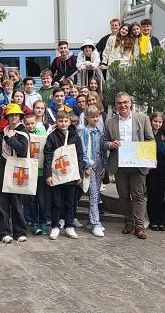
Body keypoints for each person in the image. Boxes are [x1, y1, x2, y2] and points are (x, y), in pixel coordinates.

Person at [103, 92, 154, 239]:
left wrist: (149, 157)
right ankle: (128, 222)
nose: (122, 105)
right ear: (115, 106)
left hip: (138, 162)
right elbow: (105, 142)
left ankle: (139, 225)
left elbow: (150, 140)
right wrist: (111, 144)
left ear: (130, 103)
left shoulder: (142, 118)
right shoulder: (110, 122)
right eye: (119, 103)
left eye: (125, 102)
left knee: (138, 195)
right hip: (119, 163)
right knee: (123, 196)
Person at [44, 111, 85, 240]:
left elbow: (79, 156)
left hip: (71, 175)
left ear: (69, 122)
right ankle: (55, 226)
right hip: (56, 174)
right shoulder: (52, 137)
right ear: (56, 122)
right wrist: (48, 175)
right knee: (56, 202)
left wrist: (80, 173)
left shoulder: (75, 137)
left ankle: (69, 225)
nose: (63, 123)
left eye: (66, 121)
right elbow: (48, 157)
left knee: (70, 202)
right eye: (60, 121)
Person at [0, 103, 29, 243]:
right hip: (2, 168)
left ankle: (19, 231)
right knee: (2, 202)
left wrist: (10, 138)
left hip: (17, 170)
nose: (13, 117)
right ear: (7, 117)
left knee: (16, 202)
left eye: (16, 114)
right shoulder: (3, 132)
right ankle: (3, 232)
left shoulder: (23, 132)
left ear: (20, 116)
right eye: (11, 115)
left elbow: (22, 151)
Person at [82, 105, 107, 237]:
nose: (95, 119)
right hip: (90, 165)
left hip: (99, 163)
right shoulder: (86, 132)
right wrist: (87, 165)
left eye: (97, 116)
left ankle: (91, 221)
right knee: (93, 193)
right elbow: (83, 149)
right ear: (87, 118)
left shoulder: (100, 131)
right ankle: (95, 222)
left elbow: (103, 149)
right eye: (92, 117)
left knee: (97, 192)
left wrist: (104, 166)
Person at [23, 113, 48, 235]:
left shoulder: (43, 135)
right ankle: (35, 223)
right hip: (29, 173)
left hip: (40, 172)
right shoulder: (23, 135)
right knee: (31, 201)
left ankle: (43, 222)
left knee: (42, 201)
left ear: (36, 123)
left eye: (32, 123)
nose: (30, 126)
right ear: (24, 124)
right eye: (27, 123)